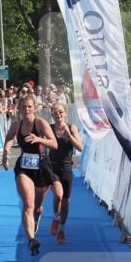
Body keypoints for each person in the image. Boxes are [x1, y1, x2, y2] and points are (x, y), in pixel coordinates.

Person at [2, 94, 56, 255]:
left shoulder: (40, 123)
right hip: (24, 167)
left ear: (35, 108)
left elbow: (54, 143)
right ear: (18, 108)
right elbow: (9, 138)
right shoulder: (16, 125)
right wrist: (6, 152)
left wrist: (39, 139)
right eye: (23, 106)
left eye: (29, 106)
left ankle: (37, 216)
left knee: (38, 207)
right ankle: (32, 240)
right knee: (28, 204)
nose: (26, 109)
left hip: (42, 167)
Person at [47, 102, 83, 245]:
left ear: (65, 113)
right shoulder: (49, 129)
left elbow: (80, 147)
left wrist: (70, 135)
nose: (58, 114)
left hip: (67, 168)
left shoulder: (71, 127)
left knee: (66, 202)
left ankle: (61, 230)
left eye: (61, 111)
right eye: (55, 112)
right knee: (58, 195)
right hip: (52, 167)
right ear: (52, 114)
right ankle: (56, 217)